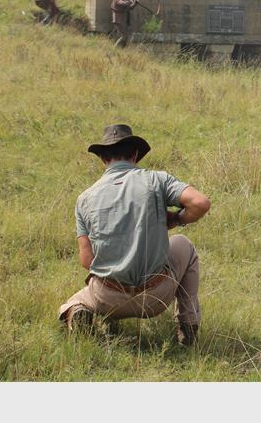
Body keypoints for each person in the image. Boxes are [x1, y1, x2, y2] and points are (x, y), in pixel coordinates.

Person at [58, 124, 211, 346]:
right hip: (156, 296)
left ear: (103, 159)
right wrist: (176, 219)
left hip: (107, 298)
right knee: (183, 244)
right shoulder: (157, 180)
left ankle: (79, 314)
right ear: (135, 154)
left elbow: (87, 261)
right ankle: (188, 329)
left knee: (72, 304)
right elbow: (200, 203)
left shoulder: (84, 199)